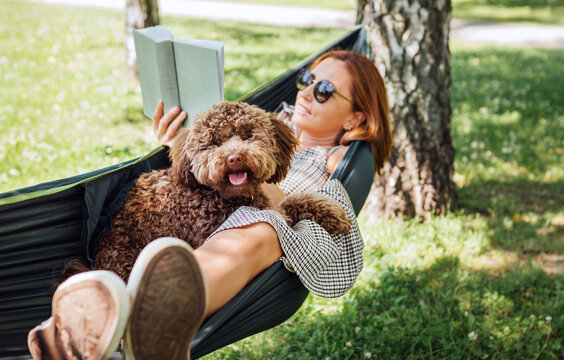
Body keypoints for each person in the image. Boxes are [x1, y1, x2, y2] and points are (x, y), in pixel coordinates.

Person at [27, 50, 392, 360]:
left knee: (260, 229)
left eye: (325, 90)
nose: (308, 93)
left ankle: (129, 318)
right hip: (189, 219)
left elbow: (325, 206)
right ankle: (89, 328)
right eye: (307, 79)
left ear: (356, 118)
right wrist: (178, 143)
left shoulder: (338, 156)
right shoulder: (268, 117)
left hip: (262, 224)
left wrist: (261, 181)